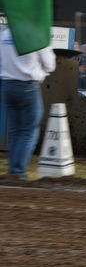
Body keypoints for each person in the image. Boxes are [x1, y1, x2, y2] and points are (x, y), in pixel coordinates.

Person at [0, 28, 56, 178]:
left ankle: (13, 170)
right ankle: (18, 172)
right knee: (28, 131)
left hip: (7, 85)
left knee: (15, 131)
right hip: (27, 86)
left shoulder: (4, 34)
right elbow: (50, 65)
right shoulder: (36, 34)